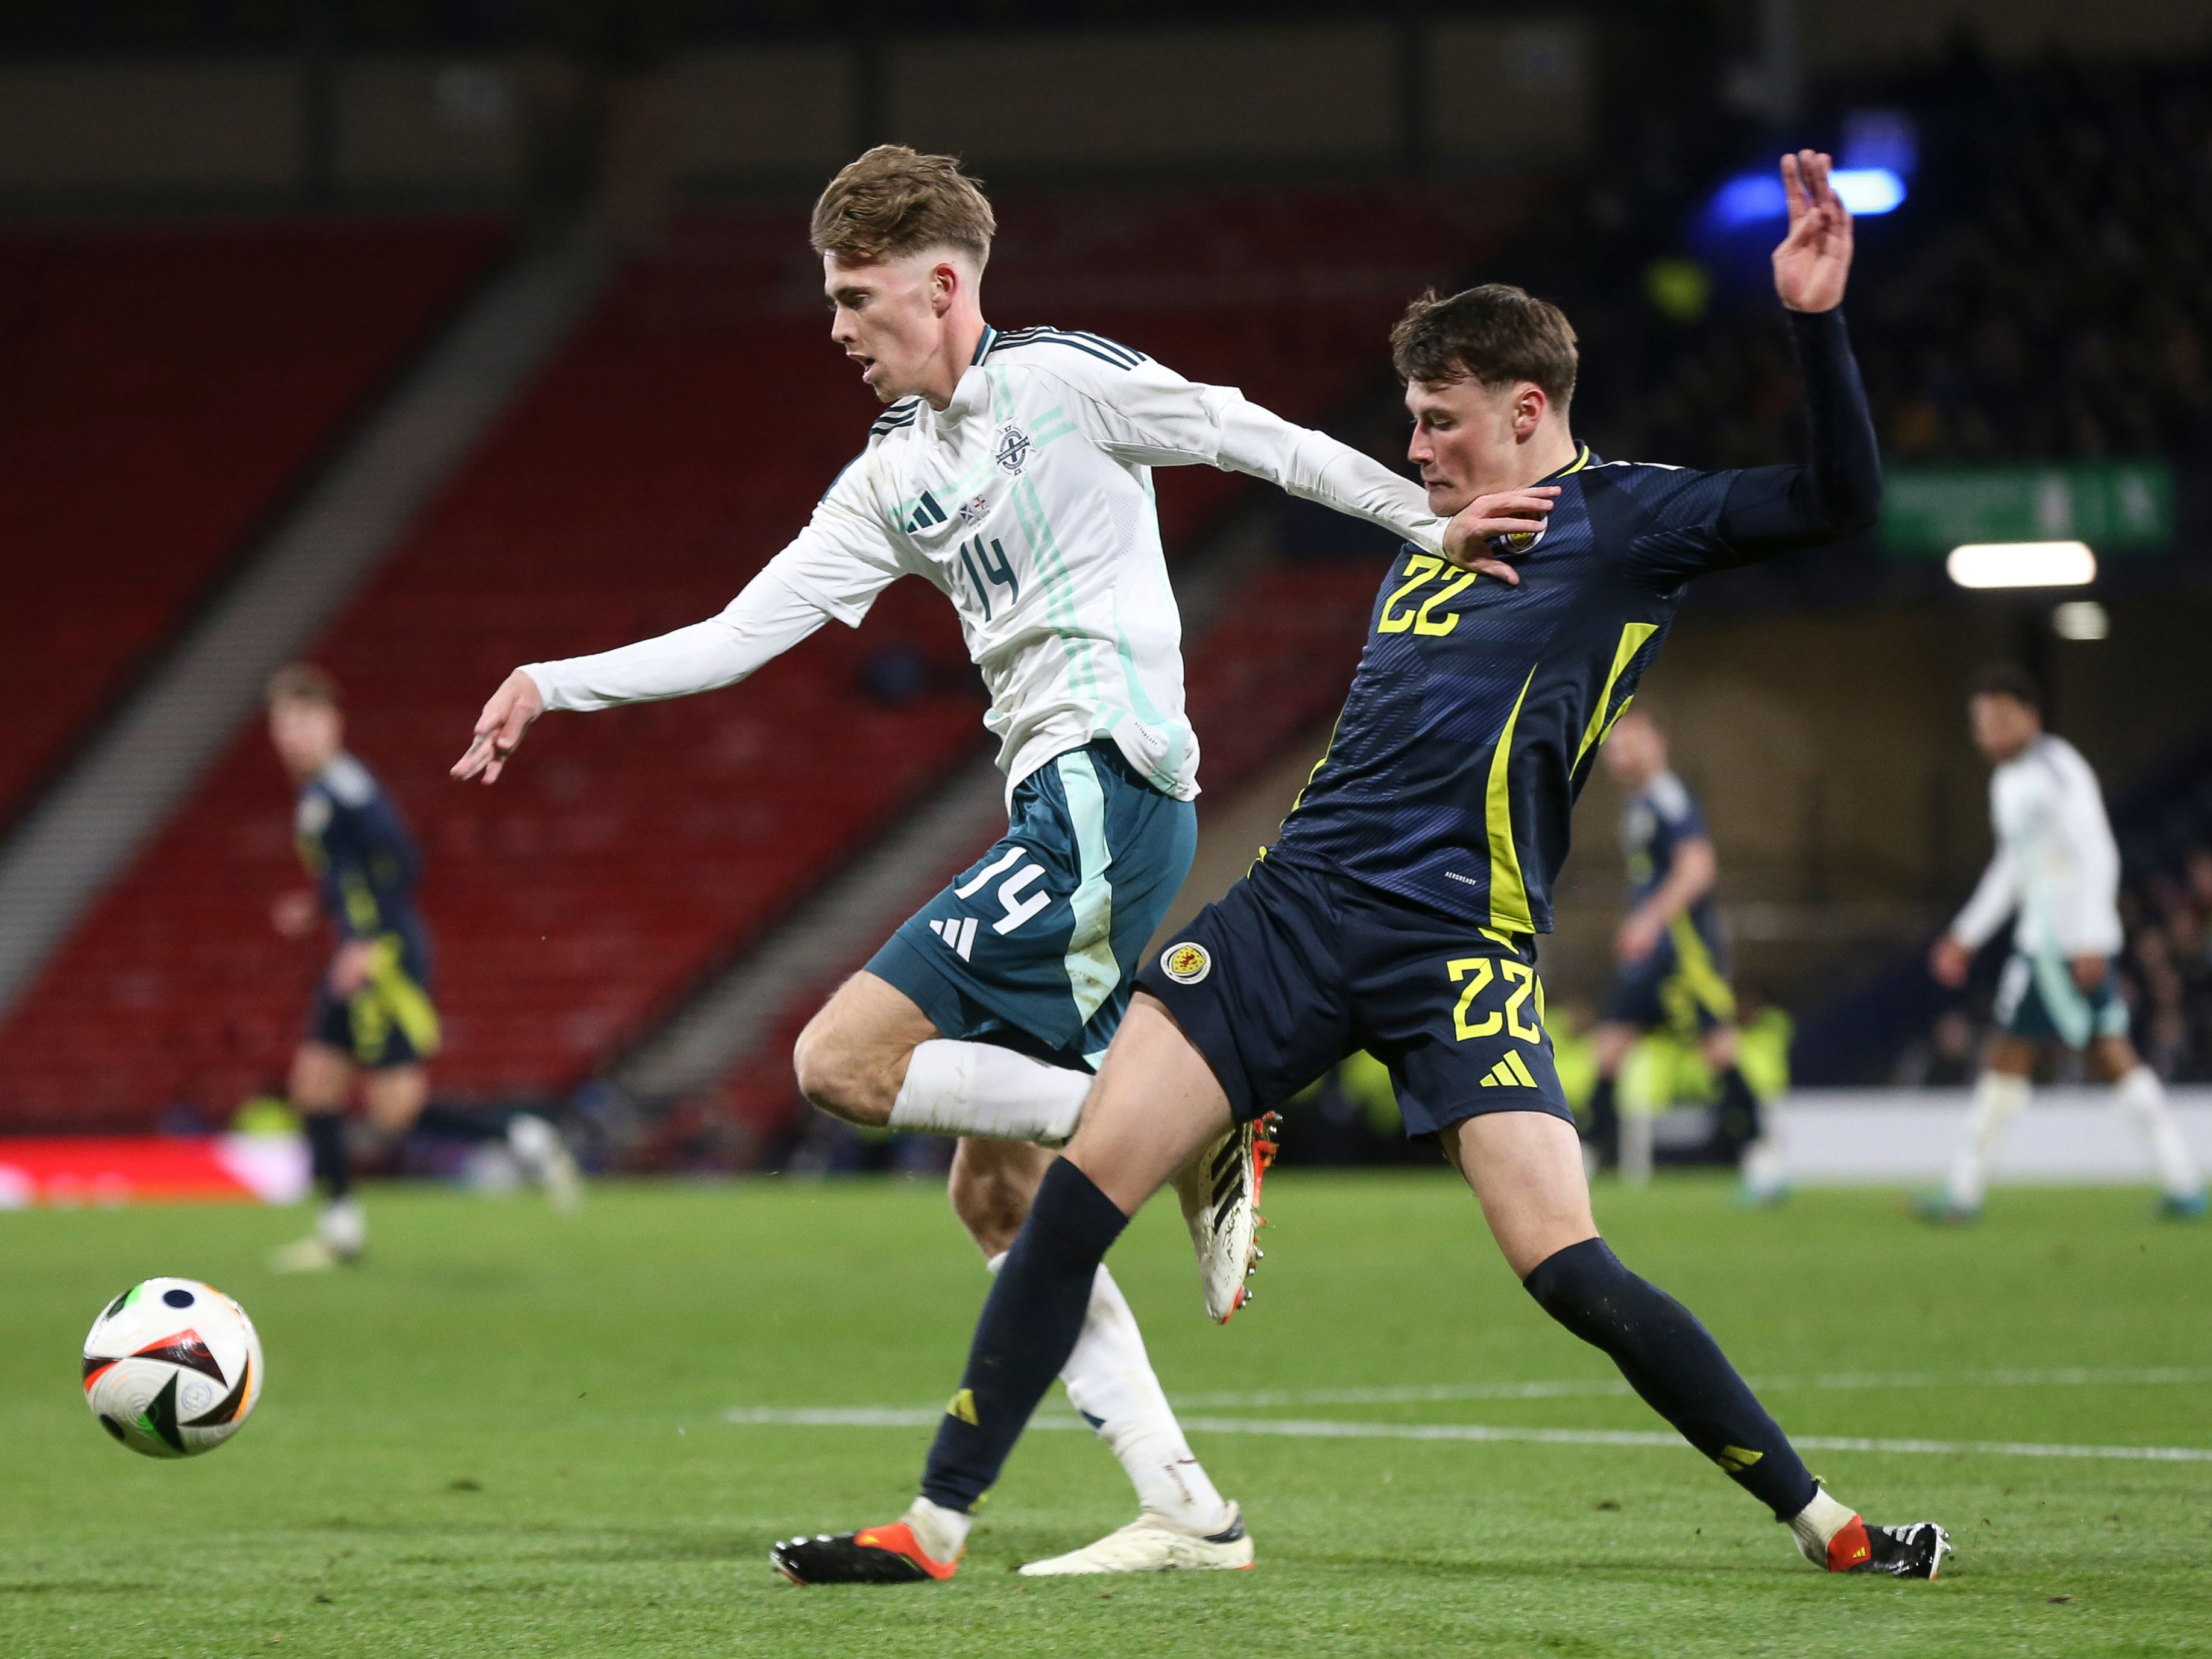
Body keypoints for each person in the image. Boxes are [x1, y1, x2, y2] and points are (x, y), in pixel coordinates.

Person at [771, 152, 1951, 1587]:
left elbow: (1840, 498)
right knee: (1072, 1192)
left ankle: (1833, 1531)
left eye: (1442, 424)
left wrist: (1815, 324)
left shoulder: (1634, 522)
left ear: (1529, 413)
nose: (1418, 451)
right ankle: (936, 1528)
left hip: (1464, 945)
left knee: (1566, 1265)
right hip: (1296, 913)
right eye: (1409, 422)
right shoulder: (1426, 539)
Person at [453, 146, 1517, 1575]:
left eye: (855, 295)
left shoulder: (1067, 384)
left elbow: (1247, 432)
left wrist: (1426, 519)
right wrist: (554, 679)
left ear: (940, 284)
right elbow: (735, 635)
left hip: (1109, 790)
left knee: (836, 1064)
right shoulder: (889, 478)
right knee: (994, 1193)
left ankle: (1186, 1116)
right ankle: (1187, 1507)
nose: (835, 326)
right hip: (1061, 812)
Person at [265, 665, 579, 1274]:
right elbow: (351, 871)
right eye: (286, 724)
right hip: (356, 952)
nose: (295, 736)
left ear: (334, 724)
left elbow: (401, 862)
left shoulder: (346, 790)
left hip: (382, 958)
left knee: (394, 1111)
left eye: (307, 721)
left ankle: (525, 1138)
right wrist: (318, 906)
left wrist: (360, 940)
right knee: (313, 1085)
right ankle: (340, 1231)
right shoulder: (319, 793)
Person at [1921, 667, 2206, 1222]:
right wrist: (1966, 934)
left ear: (2032, 718)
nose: (1991, 733)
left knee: (2010, 1056)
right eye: (1982, 723)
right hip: (2056, 944)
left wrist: (2092, 939)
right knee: (2110, 1055)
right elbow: (2014, 868)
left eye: (2002, 719)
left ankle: (1962, 1191)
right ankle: (2183, 1181)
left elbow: (2097, 852)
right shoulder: (2009, 782)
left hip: (2060, 948)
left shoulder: (2057, 769)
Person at [1585, 707, 1783, 1197]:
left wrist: (1647, 921)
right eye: (1616, 746)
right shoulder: (1639, 805)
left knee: (1717, 1050)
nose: (1623, 754)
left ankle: (1762, 1157)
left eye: (1633, 743)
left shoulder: (1669, 798)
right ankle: (1583, 1158)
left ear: (1660, 743)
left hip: (1684, 954)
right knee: (1608, 1049)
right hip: (1652, 954)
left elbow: (1698, 868)